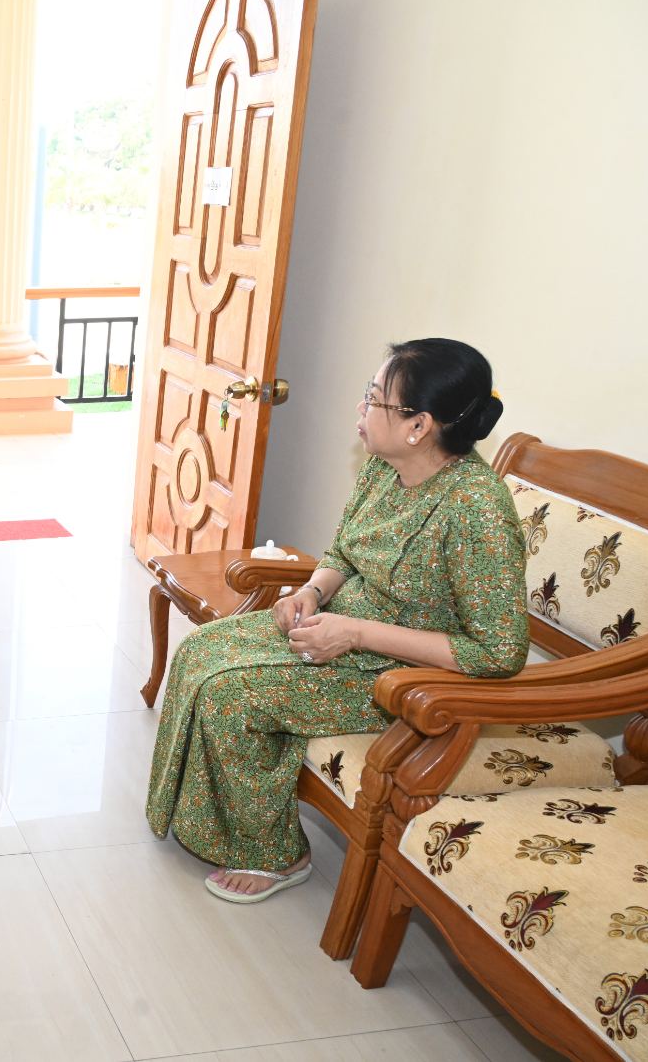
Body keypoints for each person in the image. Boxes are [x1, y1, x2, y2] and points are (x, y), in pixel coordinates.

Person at [145, 338, 527, 902]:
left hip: (406, 677)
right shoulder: (385, 468)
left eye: (374, 398)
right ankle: (208, 821)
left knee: (233, 694)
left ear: (419, 426)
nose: (360, 409)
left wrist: (355, 634)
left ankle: (277, 855)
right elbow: (344, 552)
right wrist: (311, 593)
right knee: (202, 648)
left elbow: (498, 652)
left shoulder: (477, 510)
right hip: (344, 628)